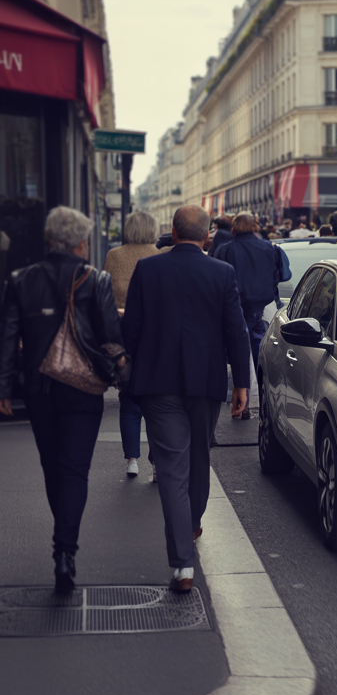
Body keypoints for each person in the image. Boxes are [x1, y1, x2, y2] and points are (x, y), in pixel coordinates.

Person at [122, 205, 251, 593]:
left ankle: (182, 566)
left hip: (158, 384)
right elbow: (236, 331)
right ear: (206, 236)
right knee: (199, 459)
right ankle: (192, 523)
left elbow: (132, 329)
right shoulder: (221, 272)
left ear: (173, 233)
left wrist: (134, 368)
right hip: (206, 384)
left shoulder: (148, 269)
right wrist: (241, 384)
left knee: (172, 471)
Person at [0, 207, 125, 594]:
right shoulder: (96, 279)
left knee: (52, 467)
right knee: (74, 471)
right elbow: (110, 337)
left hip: (38, 389)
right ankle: (64, 552)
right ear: (80, 242)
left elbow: (7, 338)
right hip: (83, 388)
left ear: (49, 240)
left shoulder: (21, 280)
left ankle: (63, 538)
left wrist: (4, 388)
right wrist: (125, 377)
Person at [104, 210, 161, 479]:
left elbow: (104, 297)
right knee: (155, 402)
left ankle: (131, 460)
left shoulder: (114, 256)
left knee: (128, 399)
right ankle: (156, 462)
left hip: (122, 335)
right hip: (154, 336)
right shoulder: (160, 256)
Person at [213, 212, 286, 412]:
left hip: (234, 305)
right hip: (259, 307)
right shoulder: (270, 249)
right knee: (256, 346)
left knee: (234, 347)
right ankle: (259, 397)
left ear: (234, 229)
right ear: (255, 227)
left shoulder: (225, 249)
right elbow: (281, 275)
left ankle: (238, 396)